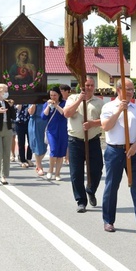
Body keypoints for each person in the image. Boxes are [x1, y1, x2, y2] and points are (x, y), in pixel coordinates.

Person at [100, 78, 136, 235]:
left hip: (133, 150)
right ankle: (108, 221)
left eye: (132, 89)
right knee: (112, 186)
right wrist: (119, 111)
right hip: (115, 151)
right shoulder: (109, 107)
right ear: (119, 90)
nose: (131, 92)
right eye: (128, 89)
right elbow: (105, 126)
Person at [63, 76, 104, 213]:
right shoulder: (72, 98)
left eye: (92, 85)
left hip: (92, 140)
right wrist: (80, 99)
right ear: (81, 86)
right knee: (76, 173)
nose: (89, 88)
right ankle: (81, 201)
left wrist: (93, 123)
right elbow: (66, 113)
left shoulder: (99, 102)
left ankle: (90, 190)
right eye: (87, 85)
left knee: (97, 169)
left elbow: (105, 120)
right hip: (75, 141)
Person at [42, 86, 68, 181]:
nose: (53, 97)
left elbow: (64, 114)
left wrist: (56, 106)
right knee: (53, 150)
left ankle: (57, 173)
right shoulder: (47, 104)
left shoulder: (64, 103)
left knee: (61, 153)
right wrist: (49, 106)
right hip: (51, 131)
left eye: (55, 95)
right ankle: (50, 170)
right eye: (51, 95)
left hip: (62, 131)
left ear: (59, 95)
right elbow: (43, 117)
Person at [28, 102, 48, 177]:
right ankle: (39, 167)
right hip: (35, 122)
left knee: (45, 146)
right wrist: (34, 104)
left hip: (45, 122)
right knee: (37, 144)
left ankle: (38, 163)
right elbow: (30, 112)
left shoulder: (46, 99)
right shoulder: (33, 100)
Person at [15, 104, 34, 168]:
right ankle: (22, 160)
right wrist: (18, 108)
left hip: (29, 122)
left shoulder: (29, 100)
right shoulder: (17, 99)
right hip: (19, 123)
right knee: (21, 142)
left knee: (30, 141)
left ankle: (29, 158)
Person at [59, 84, 72, 165]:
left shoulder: (71, 100)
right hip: (61, 122)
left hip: (69, 121)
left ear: (67, 91)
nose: (61, 93)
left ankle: (67, 157)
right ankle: (64, 156)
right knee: (63, 140)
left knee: (68, 140)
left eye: (62, 91)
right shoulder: (60, 101)